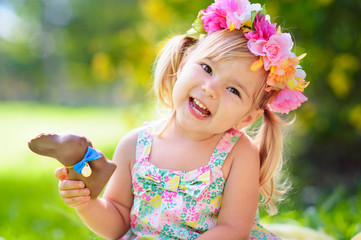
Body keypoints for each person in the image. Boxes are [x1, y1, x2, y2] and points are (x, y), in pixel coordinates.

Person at [54, 0, 309, 239]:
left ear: (248, 117)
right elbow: (118, 220)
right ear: (184, 63)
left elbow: (234, 229)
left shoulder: (238, 153)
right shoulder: (135, 145)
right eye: (207, 68)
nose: (210, 88)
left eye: (233, 90)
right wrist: (87, 203)